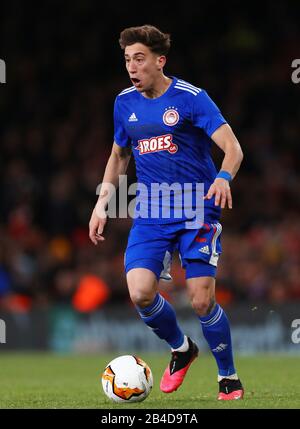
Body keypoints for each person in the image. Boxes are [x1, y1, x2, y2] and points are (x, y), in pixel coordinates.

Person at [89, 25, 244, 400]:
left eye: (139, 59)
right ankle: (181, 348)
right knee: (141, 292)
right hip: (151, 211)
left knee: (202, 300)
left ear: (160, 61)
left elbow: (233, 148)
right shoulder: (124, 103)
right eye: (127, 59)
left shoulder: (191, 98)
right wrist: (102, 202)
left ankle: (228, 376)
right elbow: (119, 155)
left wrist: (223, 176)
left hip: (197, 208)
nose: (132, 67)